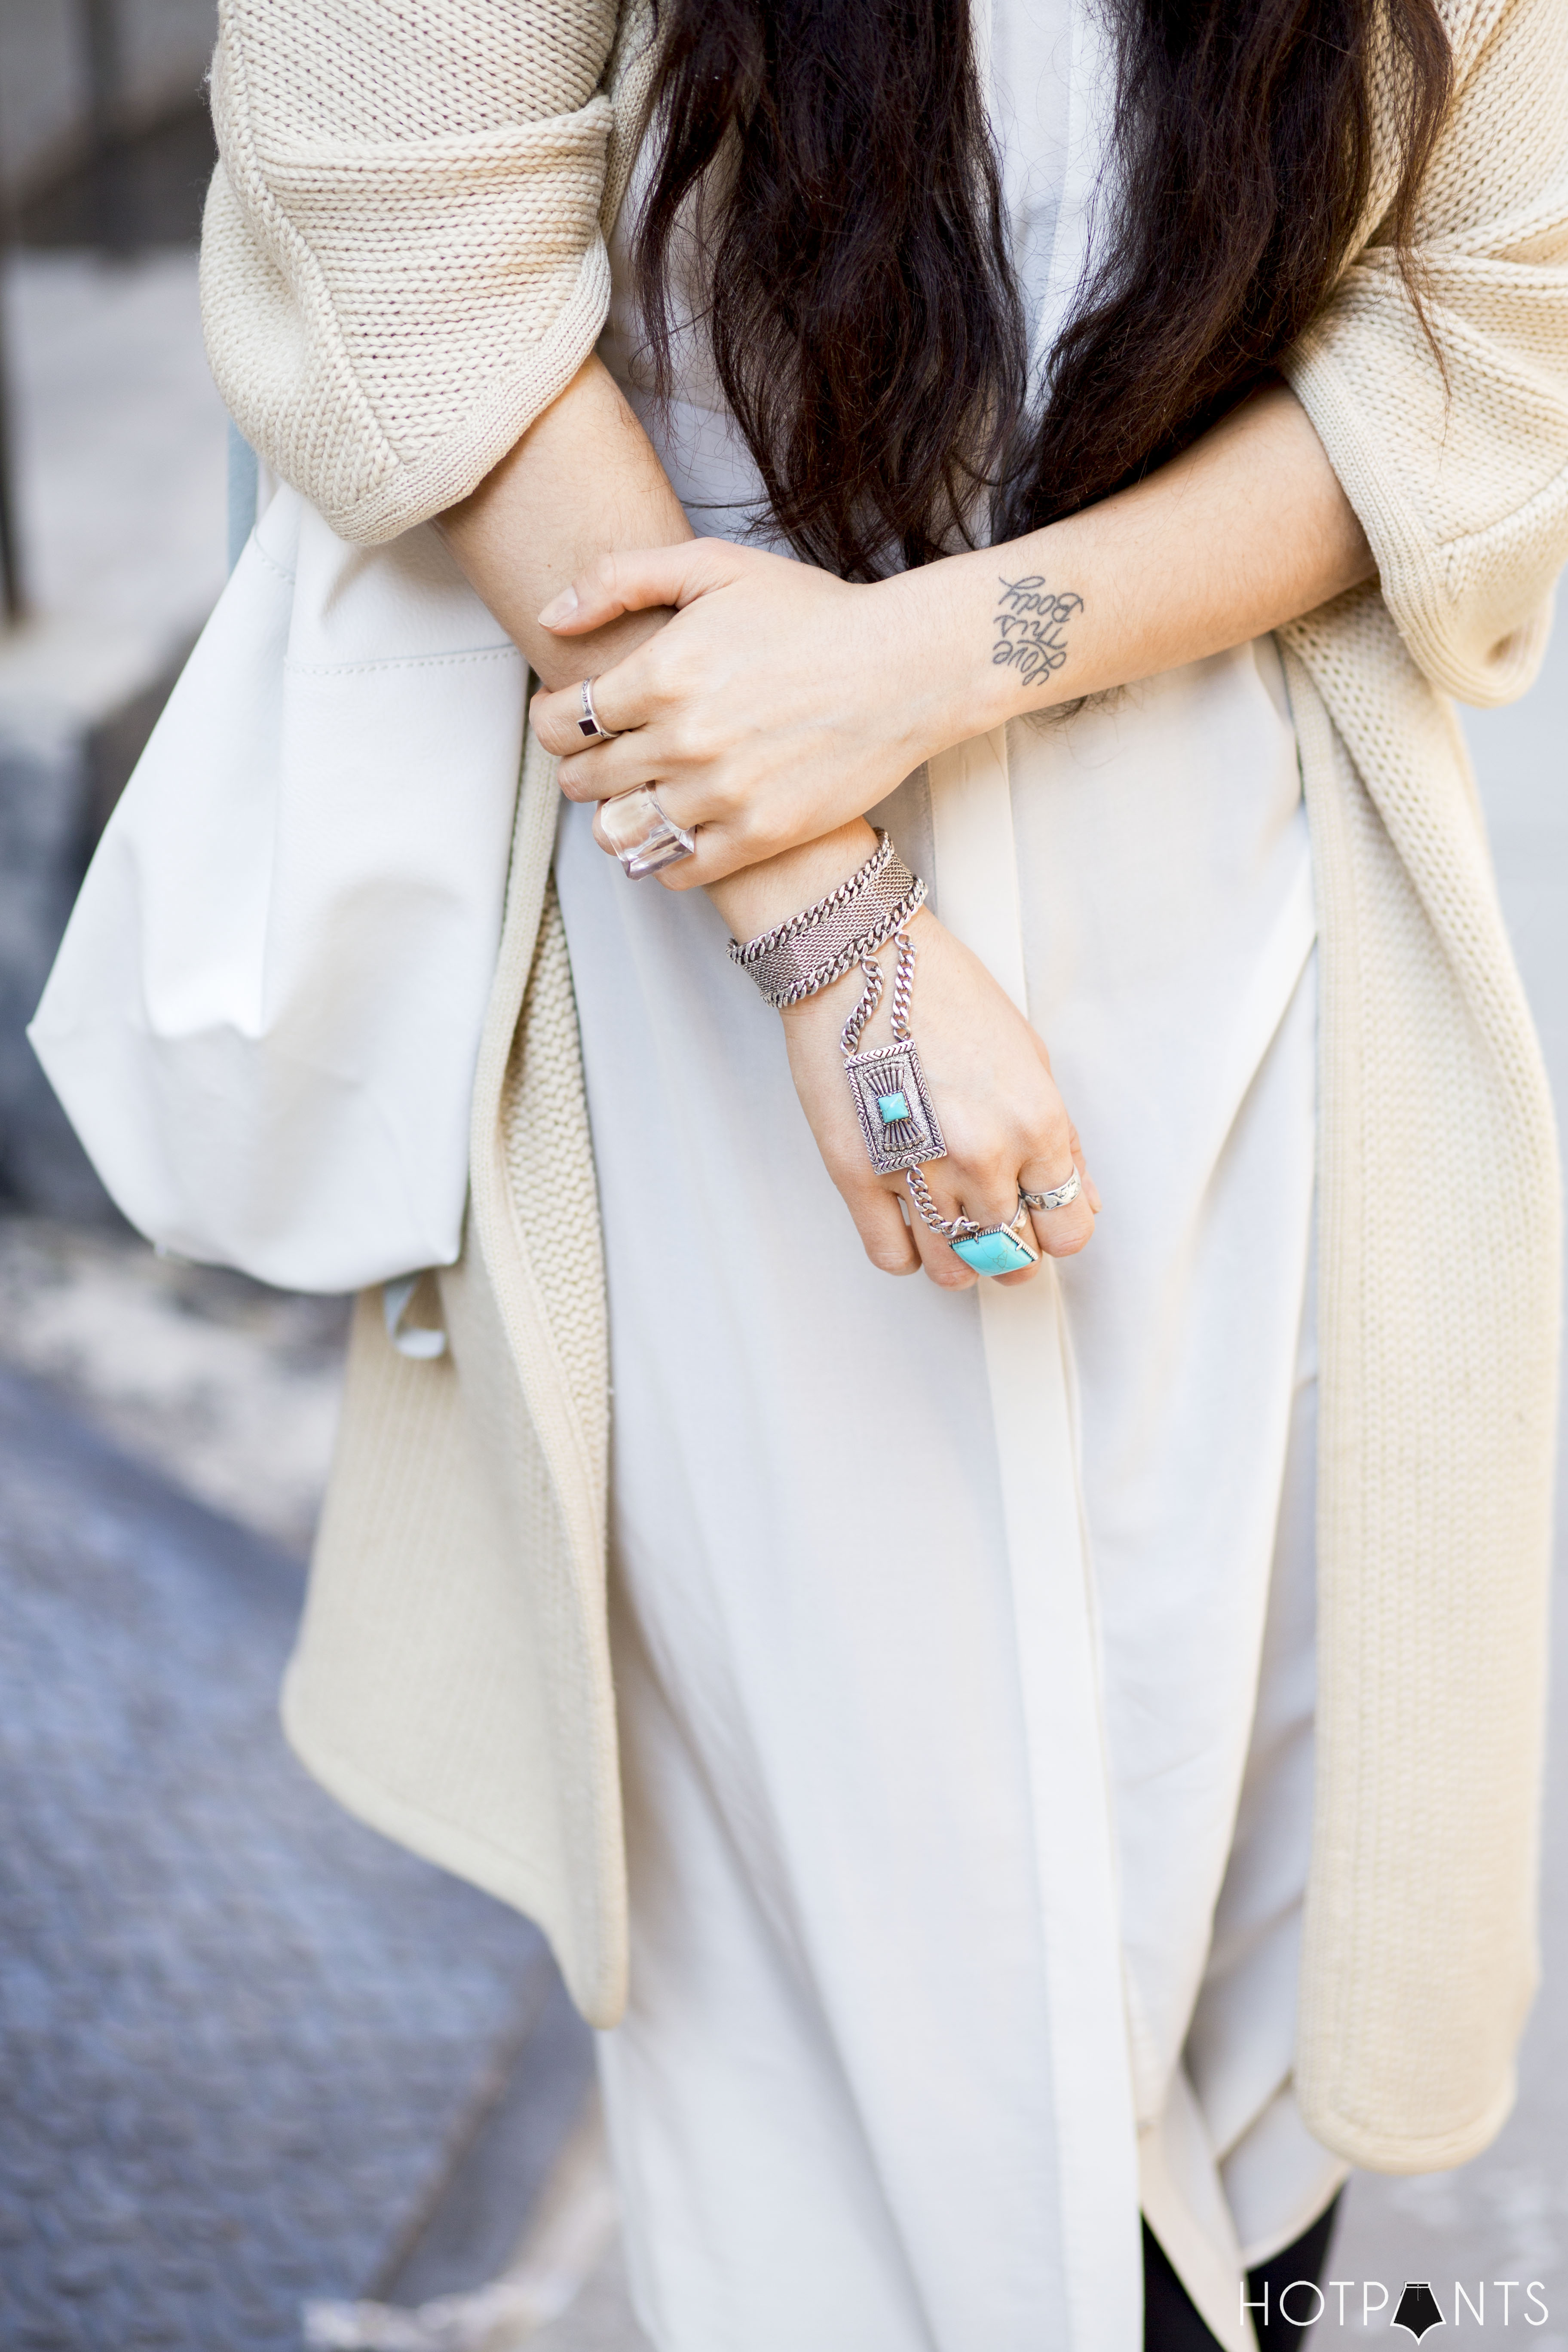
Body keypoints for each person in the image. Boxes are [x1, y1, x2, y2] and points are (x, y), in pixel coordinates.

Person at [199, 1, 1568, 2346]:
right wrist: (830, 923)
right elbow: (413, 251)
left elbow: (1472, 335)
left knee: (1236, 1903)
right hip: (688, 925)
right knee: (868, 1999)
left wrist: (935, 662)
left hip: (1247, 903)